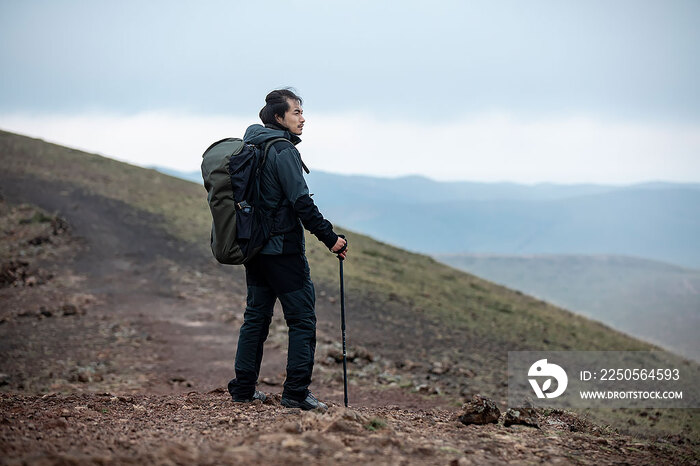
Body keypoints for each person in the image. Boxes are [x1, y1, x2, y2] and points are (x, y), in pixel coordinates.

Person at [227, 89, 348, 411]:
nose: (303, 118)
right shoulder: (282, 151)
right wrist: (330, 238)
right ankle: (296, 393)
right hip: (283, 250)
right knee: (302, 320)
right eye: (296, 112)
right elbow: (301, 202)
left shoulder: (251, 146)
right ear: (278, 118)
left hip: (254, 248)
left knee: (255, 318)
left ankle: (242, 388)